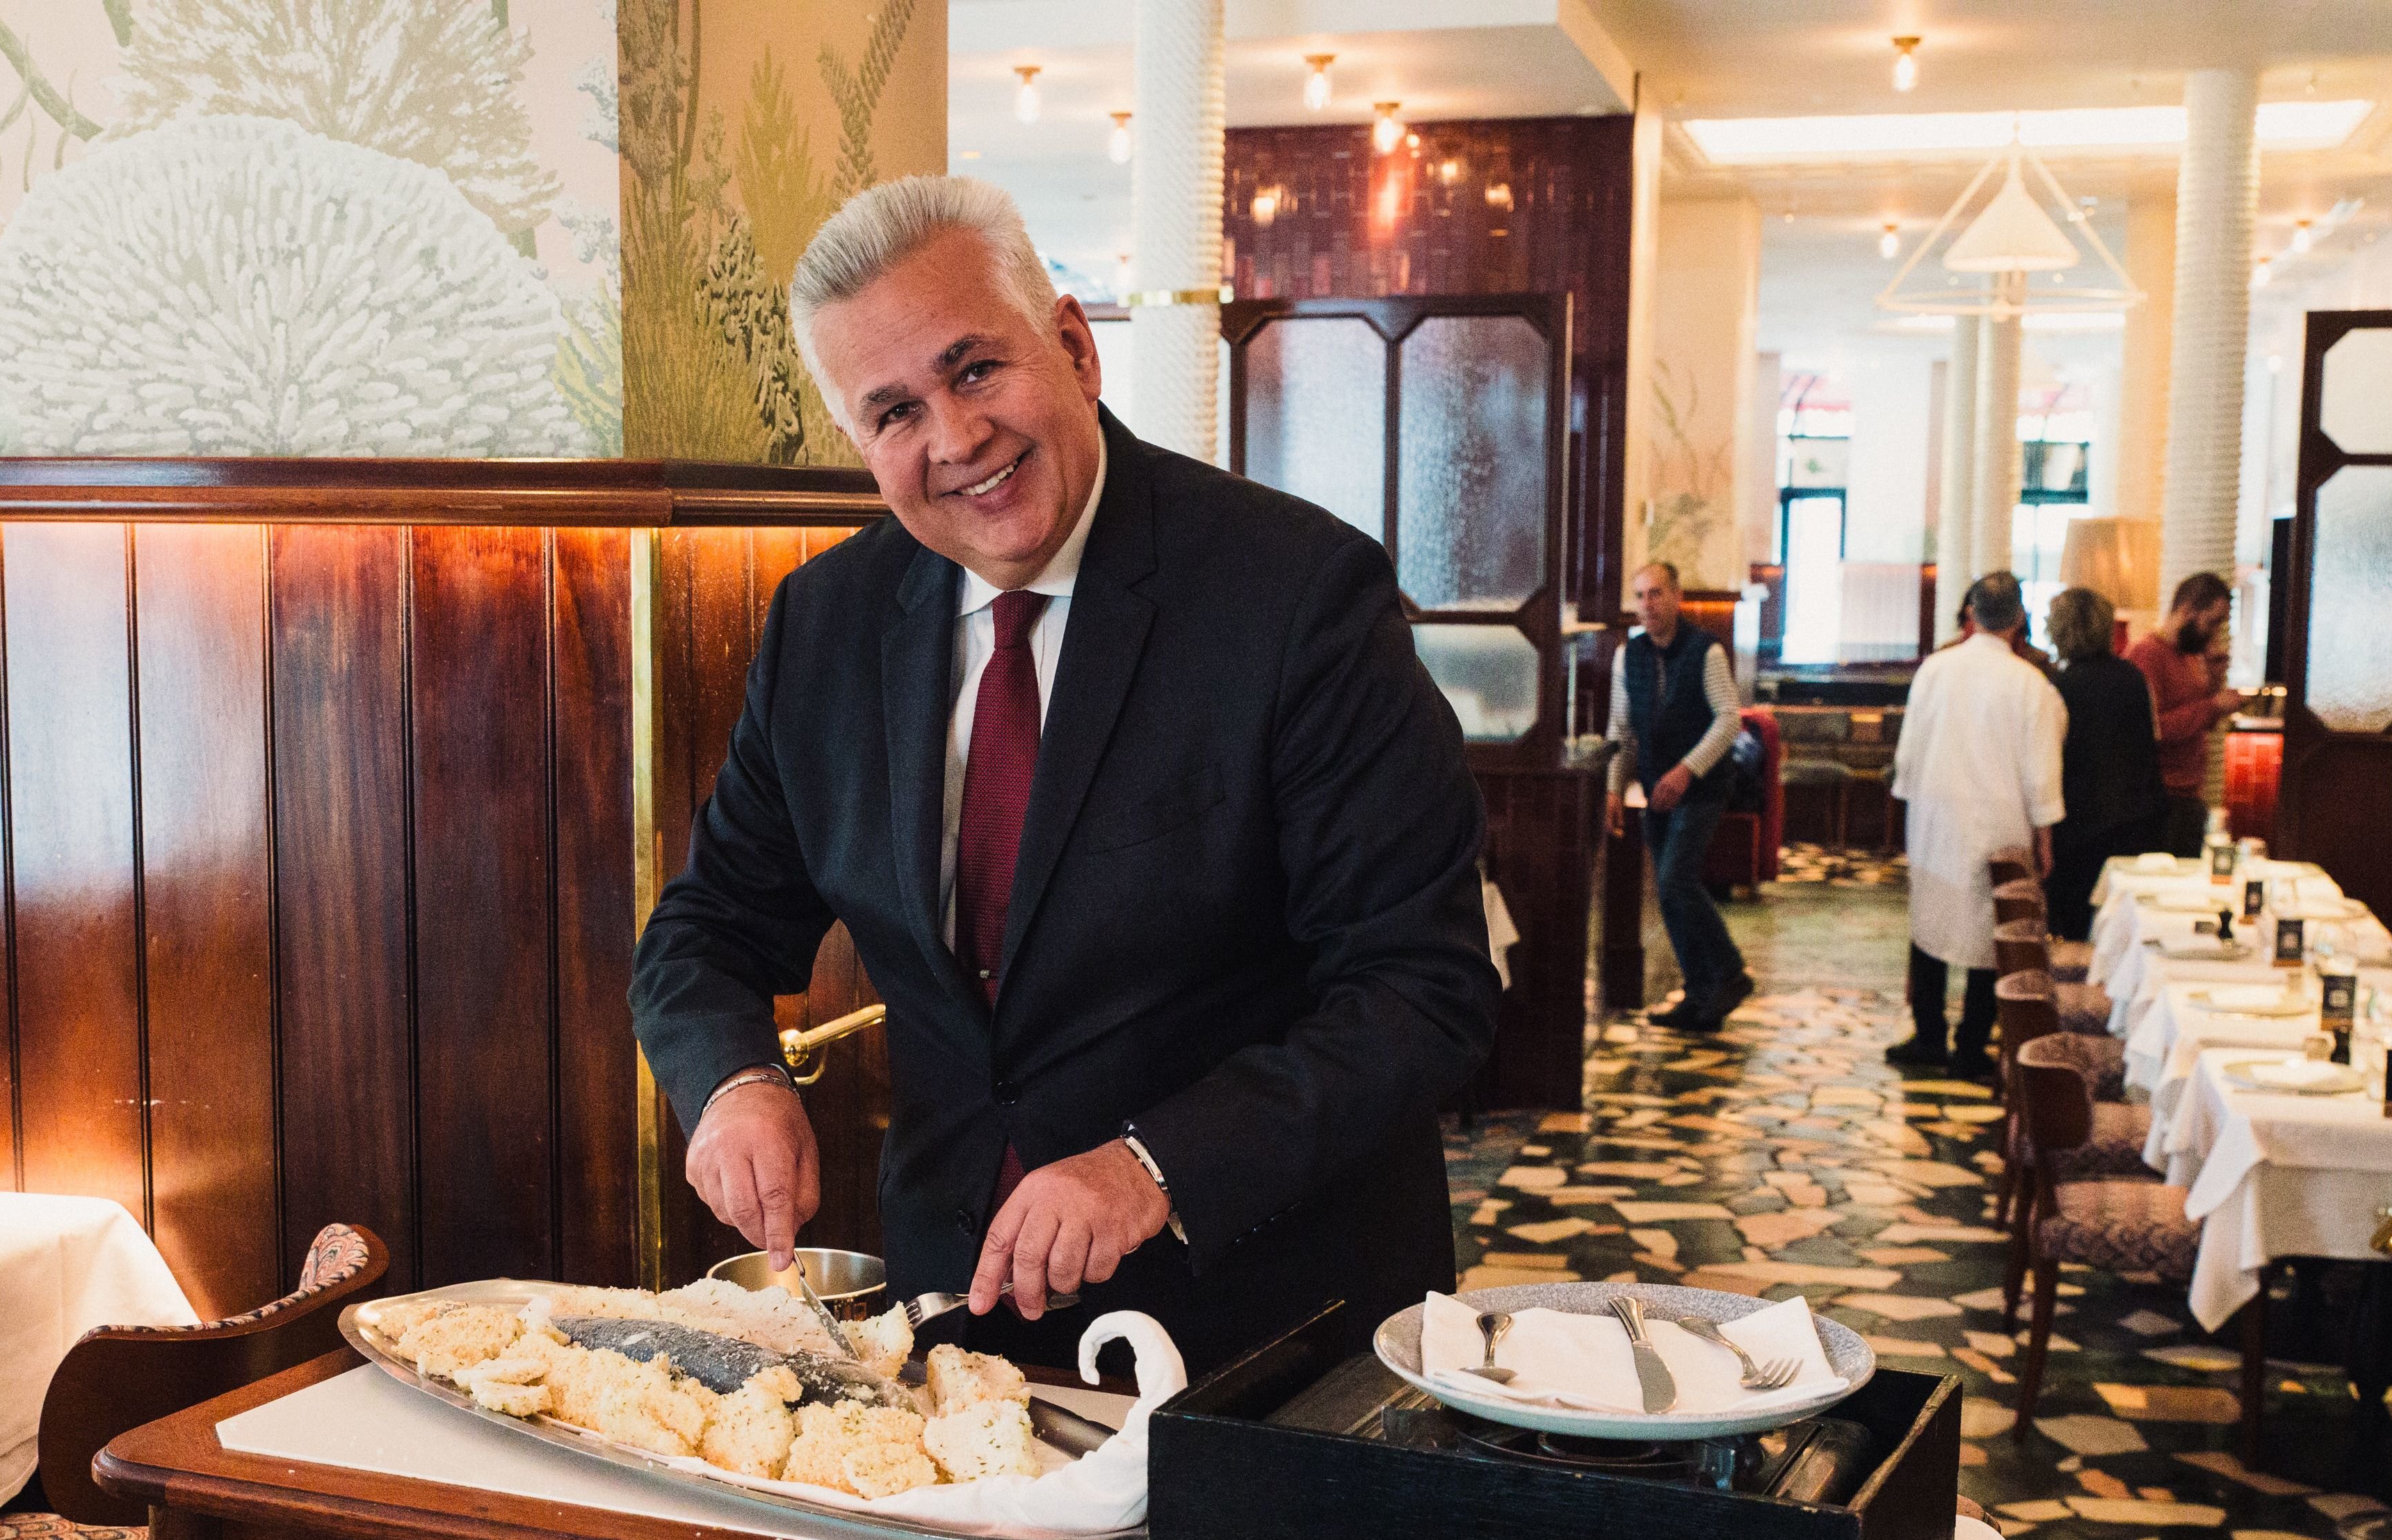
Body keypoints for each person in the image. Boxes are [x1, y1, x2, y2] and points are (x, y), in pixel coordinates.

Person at [629, 175, 1500, 1374]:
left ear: (1076, 347)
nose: (955, 438)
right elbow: (710, 924)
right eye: (893, 412)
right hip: (958, 1325)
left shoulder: (1298, 598)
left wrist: (1152, 1164)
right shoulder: (823, 624)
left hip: (1266, 1329)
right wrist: (731, 1079)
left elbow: (1423, 989)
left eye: (975, 368)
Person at [1886, 572, 2068, 1080]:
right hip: (2000, 822)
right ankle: (1970, 1045)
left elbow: (1909, 751)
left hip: (1935, 815)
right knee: (1991, 936)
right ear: (2017, 619)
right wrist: (2045, 834)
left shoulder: (1935, 670)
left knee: (1931, 921)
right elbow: (2041, 771)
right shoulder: (2030, 684)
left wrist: (1907, 803)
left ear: (1972, 615)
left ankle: (1927, 1036)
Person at [1603, 561, 1752, 1032]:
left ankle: (1728, 972)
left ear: (1677, 596)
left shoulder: (1705, 651)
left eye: (1657, 593)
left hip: (1703, 786)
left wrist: (1687, 770)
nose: (1648, 604)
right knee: (1670, 893)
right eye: (1641, 595)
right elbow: (1623, 730)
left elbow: (1729, 719)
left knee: (1674, 880)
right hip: (1653, 787)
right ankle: (1701, 992)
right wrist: (1612, 787)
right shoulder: (1630, 655)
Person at [2042, 585, 2165, 939]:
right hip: (2138, 820)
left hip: (2082, 825)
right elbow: (2152, 740)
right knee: (2126, 927)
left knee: (2079, 930)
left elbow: (2053, 759)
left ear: (2062, 630)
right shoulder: (2134, 678)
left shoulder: (2060, 687)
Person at [2124, 570, 2249, 855]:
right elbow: (2153, 728)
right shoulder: (2148, 655)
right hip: (2160, 796)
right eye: (2213, 622)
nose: (2215, 632)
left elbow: (2198, 723)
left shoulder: (2192, 656)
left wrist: (2215, 682)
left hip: (2190, 792)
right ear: (2187, 610)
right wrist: (2214, 705)